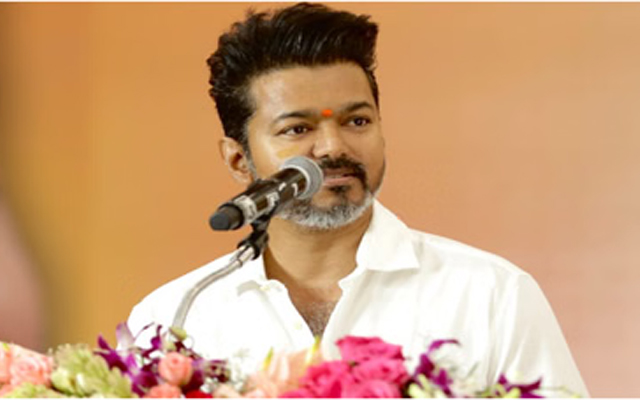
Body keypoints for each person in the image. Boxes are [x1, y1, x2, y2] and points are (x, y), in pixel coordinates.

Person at [128, 3, 588, 395]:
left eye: (357, 121)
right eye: (297, 129)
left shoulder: (490, 295)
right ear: (237, 160)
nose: (333, 147)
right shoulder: (175, 314)